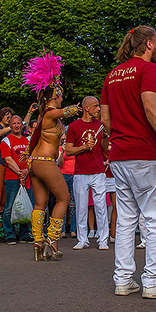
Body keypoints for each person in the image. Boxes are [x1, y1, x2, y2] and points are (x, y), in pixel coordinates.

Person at [102, 26, 156, 299]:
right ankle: (152, 281)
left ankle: (123, 279)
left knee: (125, 220)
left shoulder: (112, 75)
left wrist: (121, 137)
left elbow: (106, 120)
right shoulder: (149, 70)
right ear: (148, 43)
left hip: (120, 155)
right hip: (145, 153)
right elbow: (150, 106)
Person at [20, 53, 80, 261]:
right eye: (60, 95)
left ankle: (37, 243)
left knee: (40, 203)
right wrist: (78, 108)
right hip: (45, 162)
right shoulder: (50, 113)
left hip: (36, 163)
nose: (62, 98)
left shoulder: (44, 115)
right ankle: (52, 240)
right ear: (55, 96)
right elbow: (64, 112)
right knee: (64, 198)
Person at [66, 97, 109, 250]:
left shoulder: (100, 125)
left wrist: (104, 137)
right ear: (86, 108)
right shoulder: (73, 126)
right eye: (95, 106)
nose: (98, 109)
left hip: (98, 170)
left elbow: (105, 148)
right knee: (81, 207)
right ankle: (82, 239)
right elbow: (68, 150)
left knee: (101, 206)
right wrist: (84, 147)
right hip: (80, 172)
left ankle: (103, 239)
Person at [0, 116, 33, 244]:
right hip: (12, 177)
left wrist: (27, 171)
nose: (16, 125)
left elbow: (32, 157)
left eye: (19, 123)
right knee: (10, 206)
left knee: (26, 205)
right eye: (14, 123)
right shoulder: (6, 141)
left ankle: (25, 233)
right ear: (10, 125)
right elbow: (8, 159)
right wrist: (19, 173)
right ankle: (9, 233)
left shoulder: (28, 140)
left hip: (27, 176)